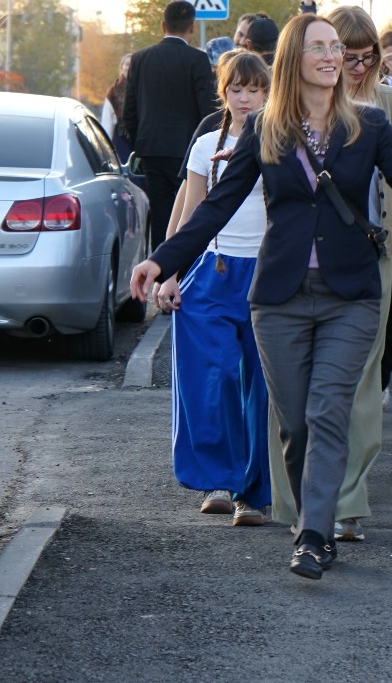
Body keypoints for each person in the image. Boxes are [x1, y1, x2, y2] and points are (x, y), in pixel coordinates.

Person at [128, 15, 392, 580]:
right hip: (279, 298)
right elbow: (218, 205)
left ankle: (314, 535)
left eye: (336, 47)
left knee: (327, 412)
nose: (332, 56)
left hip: (351, 296)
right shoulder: (266, 128)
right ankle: (310, 518)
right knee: (294, 422)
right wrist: (163, 259)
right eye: (319, 47)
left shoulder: (369, 124)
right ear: (293, 58)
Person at [259, 5, 392, 545]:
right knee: (294, 407)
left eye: (363, 57)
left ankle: (344, 504)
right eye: (341, 53)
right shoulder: (279, 118)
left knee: (353, 390)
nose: (352, 66)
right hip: (292, 270)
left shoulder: (389, 107)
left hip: (365, 258)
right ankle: (300, 507)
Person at [156, 51, 273, 527]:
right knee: (214, 377)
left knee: (263, 388)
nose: (245, 98)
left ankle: (255, 493)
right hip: (213, 272)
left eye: (255, 89)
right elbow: (190, 213)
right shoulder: (206, 144)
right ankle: (219, 482)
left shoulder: (282, 140)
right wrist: (168, 270)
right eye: (235, 89)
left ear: (268, 92)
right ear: (223, 93)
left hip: (269, 274)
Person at [121, 0, 219, 249]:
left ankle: (159, 263)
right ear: (192, 28)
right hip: (188, 152)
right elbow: (208, 109)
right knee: (190, 210)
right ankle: (185, 263)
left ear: (163, 26)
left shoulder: (140, 59)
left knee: (160, 212)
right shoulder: (197, 60)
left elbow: (129, 111)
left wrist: (139, 143)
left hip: (151, 150)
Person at [101, 53, 134, 162]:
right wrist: (106, 148)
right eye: (127, 64)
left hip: (141, 141)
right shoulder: (113, 92)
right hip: (121, 140)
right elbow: (107, 122)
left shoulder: (143, 90)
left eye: (133, 65)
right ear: (121, 67)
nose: (129, 67)